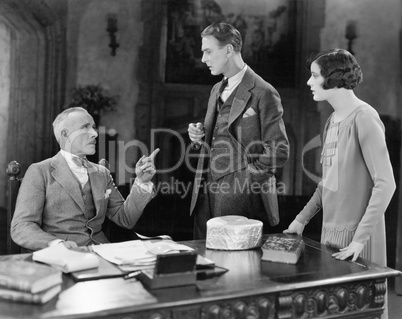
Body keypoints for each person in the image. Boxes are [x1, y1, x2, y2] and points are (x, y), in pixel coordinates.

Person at [188, 22, 289, 239]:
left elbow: (279, 150)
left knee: (235, 267)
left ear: (228, 50)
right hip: (204, 193)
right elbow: (218, 134)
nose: (204, 59)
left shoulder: (265, 92)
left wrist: (243, 182)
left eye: (208, 51)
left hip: (242, 199)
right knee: (204, 264)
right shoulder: (216, 89)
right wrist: (199, 136)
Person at [11, 107, 159, 251]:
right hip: (60, 257)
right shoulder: (39, 171)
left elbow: (125, 219)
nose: (94, 133)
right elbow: (22, 226)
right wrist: (55, 244)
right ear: (65, 135)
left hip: (102, 254)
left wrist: (142, 181)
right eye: (85, 128)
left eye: (94, 128)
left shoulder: (102, 173)